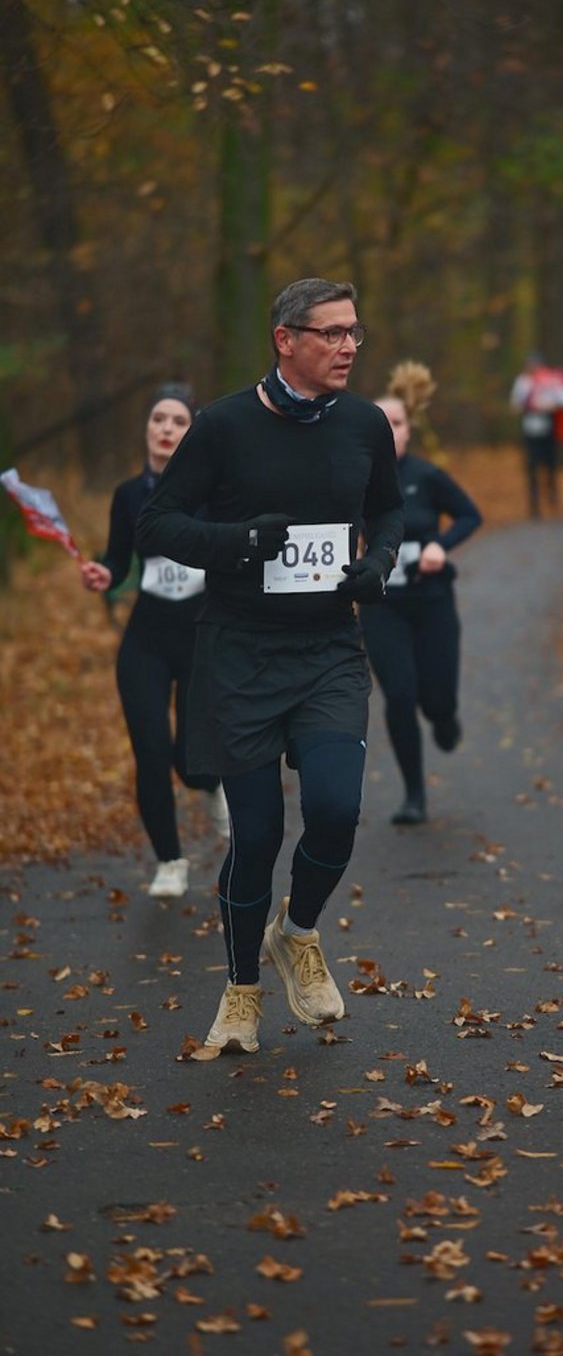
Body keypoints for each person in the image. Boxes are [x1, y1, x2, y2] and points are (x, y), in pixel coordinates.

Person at [136, 278, 403, 1059]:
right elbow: (158, 523)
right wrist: (239, 542)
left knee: (335, 809)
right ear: (285, 339)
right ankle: (241, 989)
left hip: (328, 650)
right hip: (240, 654)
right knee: (255, 835)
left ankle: (299, 930)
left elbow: (387, 509)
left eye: (355, 332)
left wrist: (379, 562)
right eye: (332, 333)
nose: (348, 347)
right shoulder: (221, 426)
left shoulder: (363, 424)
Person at [80, 383, 230, 900]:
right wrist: (105, 573)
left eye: (178, 421)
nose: (166, 429)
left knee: (190, 760)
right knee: (150, 751)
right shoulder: (128, 494)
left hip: (200, 634)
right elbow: (119, 557)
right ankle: (170, 860)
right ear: (146, 428)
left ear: (192, 432)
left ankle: (210, 785)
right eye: (158, 419)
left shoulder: (213, 490)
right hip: (146, 637)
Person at [360, 361, 482, 825]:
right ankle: (414, 795)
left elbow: (470, 515)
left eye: (396, 423)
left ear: (409, 429)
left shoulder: (427, 476)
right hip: (382, 606)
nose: (389, 431)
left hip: (432, 601)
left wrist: (439, 546)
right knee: (399, 695)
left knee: (436, 699)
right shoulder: (357, 481)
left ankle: (445, 717)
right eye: (381, 424)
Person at [510, 352, 563, 518]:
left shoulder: (552, 381)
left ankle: (552, 497)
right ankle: (534, 504)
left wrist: (554, 406)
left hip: (549, 428)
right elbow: (515, 406)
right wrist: (529, 405)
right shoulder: (523, 383)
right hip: (530, 429)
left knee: (551, 464)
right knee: (532, 466)